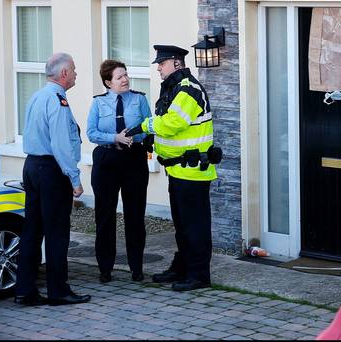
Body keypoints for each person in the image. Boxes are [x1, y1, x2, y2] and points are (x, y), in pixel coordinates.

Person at [126, 45, 222, 292]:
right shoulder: (175, 89)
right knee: (182, 227)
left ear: (176, 64)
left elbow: (172, 123)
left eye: (162, 63)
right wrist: (153, 140)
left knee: (195, 226)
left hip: (191, 171)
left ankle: (199, 275)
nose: (158, 68)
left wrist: (146, 126)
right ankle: (182, 268)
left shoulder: (189, 90)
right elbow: (170, 129)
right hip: (178, 170)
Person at [14, 52, 91, 306]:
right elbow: (60, 144)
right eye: (75, 69)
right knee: (57, 232)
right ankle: (58, 290)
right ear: (65, 74)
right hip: (51, 169)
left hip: (32, 166)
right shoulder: (58, 100)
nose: (77, 74)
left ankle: (25, 289)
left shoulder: (37, 95)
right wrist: (75, 178)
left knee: (32, 230)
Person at [86, 59, 152, 283]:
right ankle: (105, 268)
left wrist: (135, 136)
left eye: (125, 75)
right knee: (105, 215)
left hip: (134, 159)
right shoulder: (98, 103)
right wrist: (115, 137)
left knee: (135, 215)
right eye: (119, 77)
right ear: (108, 82)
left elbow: (149, 126)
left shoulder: (139, 99)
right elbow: (91, 133)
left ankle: (137, 267)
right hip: (106, 159)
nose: (125, 79)